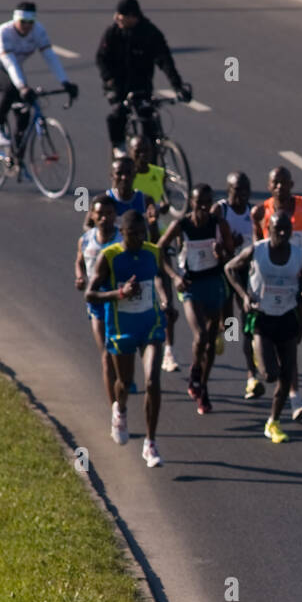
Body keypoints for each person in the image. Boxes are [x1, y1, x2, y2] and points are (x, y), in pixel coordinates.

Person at [86, 209, 173, 468]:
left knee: (152, 380)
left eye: (140, 233)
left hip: (150, 326)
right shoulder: (109, 257)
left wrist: (167, 301)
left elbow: (158, 277)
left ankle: (150, 443)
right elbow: (89, 295)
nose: (136, 238)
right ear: (121, 233)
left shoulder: (152, 252)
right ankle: (120, 410)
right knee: (124, 382)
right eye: (131, 234)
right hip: (122, 328)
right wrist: (120, 292)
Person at [225, 209, 302, 444]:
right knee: (270, 374)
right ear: (268, 229)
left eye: (286, 229)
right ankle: (259, 357)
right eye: (277, 229)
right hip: (262, 317)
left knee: (287, 373)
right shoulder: (257, 250)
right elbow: (230, 268)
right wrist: (244, 295)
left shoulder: (299, 254)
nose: (282, 233)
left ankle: (273, 422)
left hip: (287, 317)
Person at [252, 165, 302, 420]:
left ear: (292, 184)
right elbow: (255, 248)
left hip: (297, 284)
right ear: (268, 186)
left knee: (294, 340)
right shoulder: (260, 212)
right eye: (275, 183)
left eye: (285, 182)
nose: (280, 187)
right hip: (268, 287)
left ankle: (290, 389)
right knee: (280, 349)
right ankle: (295, 397)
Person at [159, 184, 232, 415]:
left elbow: (231, 254)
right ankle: (195, 374)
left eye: (207, 202)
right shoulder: (181, 225)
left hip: (213, 284)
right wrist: (173, 277)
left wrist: (222, 253)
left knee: (211, 342)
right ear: (191, 202)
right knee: (199, 335)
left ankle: (203, 385)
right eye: (199, 202)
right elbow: (159, 251)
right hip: (190, 286)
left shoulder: (218, 224)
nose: (203, 207)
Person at [95, 0, 191, 156]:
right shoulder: (112, 33)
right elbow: (101, 58)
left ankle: (152, 156)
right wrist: (109, 79)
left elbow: (165, 60)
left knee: (149, 123)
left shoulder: (150, 34)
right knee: (118, 115)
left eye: (121, 15)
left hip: (141, 87)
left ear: (133, 16)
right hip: (117, 87)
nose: (116, 18)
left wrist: (178, 86)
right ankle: (119, 149)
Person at [0, 1, 78, 147]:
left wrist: (65, 82)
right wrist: (22, 86)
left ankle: (16, 157)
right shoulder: (4, 32)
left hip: (13, 69)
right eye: (23, 22)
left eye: (31, 22)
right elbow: (10, 63)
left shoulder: (38, 31)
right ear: (15, 20)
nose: (27, 26)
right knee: (11, 88)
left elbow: (50, 57)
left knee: (25, 112)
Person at [130, 135, 181, 372]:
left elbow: (164, 204)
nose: (142, 155)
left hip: (155, 241)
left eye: (146, 151)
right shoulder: (125, 178)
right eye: (138, 151)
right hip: (132, 247)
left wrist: (162, 212)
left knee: (167, 300)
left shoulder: (158, 173)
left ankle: (168, 352)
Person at [212, 171, 260, 395]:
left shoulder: (254, 213)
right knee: (228, 319)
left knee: (248, 323)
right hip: (222, 271)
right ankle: (221, 331)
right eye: (235, 189)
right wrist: (223, 246)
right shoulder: (220, 210)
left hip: (245, 273)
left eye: (244, 190)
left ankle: (252, 377)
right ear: (228, 190)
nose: (240, 194)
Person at [75, 192, 120, 411]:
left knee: (120, 353)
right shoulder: (86, 239)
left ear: (116, 215)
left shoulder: (123, 239)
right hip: (96, 300)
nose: (104, 218)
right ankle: (115, 409)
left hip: (121, 299)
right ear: (92, 215)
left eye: (109, 214)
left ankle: (122, 379)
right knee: (106, 353)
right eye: (100, 214)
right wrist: (80, 277)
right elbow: (80, 262)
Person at [106, 154, 149, 219]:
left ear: (135, 174)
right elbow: (88, 226)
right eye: (119, 173)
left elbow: (154, 226)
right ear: (112, 176)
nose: (124, 177)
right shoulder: (105, 199)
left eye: (128, 173)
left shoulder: (145, 200)